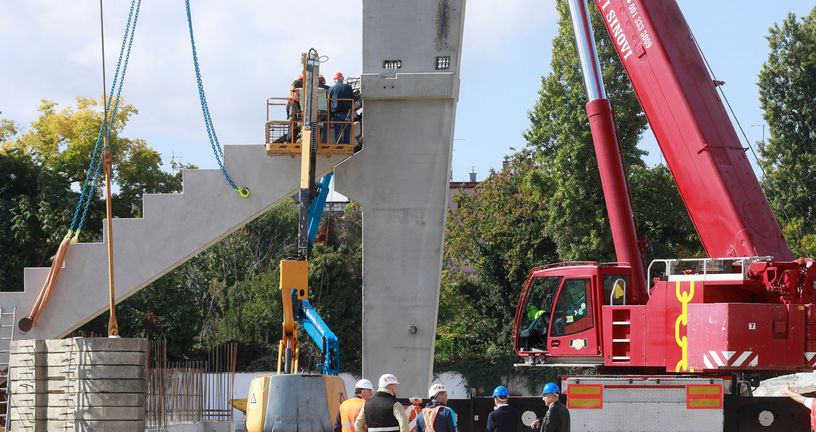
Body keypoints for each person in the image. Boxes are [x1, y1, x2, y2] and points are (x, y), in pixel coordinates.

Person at [329, 72, 355, 144]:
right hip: (347, 113)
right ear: (342, 79)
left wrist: (330, 115)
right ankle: (346, 144)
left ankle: (339, 145)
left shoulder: (331, 89)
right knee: (347, 130)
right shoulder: (348, 87)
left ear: (335, 80)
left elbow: (329, 103)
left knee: (338, 130)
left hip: (336, 114)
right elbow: (353, 98)